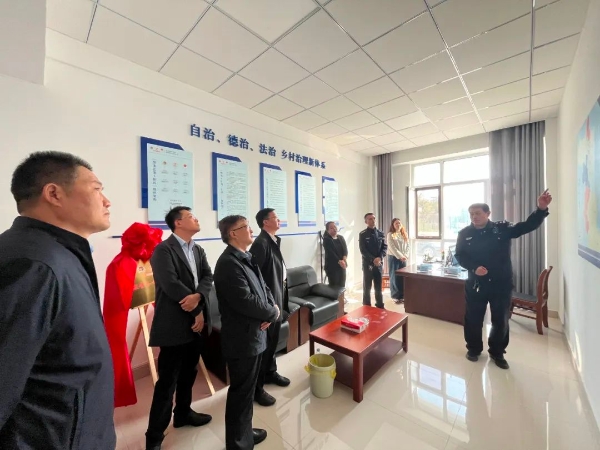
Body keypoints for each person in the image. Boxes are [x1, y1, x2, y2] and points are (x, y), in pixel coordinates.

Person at [0, 151, 116, 449]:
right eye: (97, 189)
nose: (107, 201)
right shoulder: (34, 265)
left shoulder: (60, 253)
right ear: (54, 194)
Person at [455, 190, 552, 370]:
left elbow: (526, 226)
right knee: (473, 318)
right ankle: (474, 349)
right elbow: (459, 255)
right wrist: (474, 268)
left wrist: (540, 209)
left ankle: (497, 352)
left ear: (488, 214)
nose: (474, 217)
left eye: (478, 213)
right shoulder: (464, 233)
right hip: (476, 283)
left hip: (501, 283)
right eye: (471, 214)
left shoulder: (501, 229)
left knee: (500, 319)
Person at [145, 207, 213, 450]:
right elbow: (170, 284)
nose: (196, 218)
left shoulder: (198, 249)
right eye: (191, 216)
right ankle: (154, 436)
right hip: (174, 323)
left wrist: (199, 297)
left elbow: (207, 276)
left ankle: (183, 414)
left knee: (189, 373)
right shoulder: (163, 250)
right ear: (178, 222)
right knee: (167, 381)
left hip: (196, 322)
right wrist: (196, 310)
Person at [214, 215, 280, 449]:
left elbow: (264, 288)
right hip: (242, 338)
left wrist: (272, 309)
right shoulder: (228, 263)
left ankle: (244, 432)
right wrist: (271, 313)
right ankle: (238, 443)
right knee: (241, 392)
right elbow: (245, 300)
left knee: (248, 389)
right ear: (233, 233)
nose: (251, 230)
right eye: (246, 227)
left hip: (255, 333)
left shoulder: (246, 257)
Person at [249, 208, 290, 407]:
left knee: (273, 342)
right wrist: (265, 309)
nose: (279, 220)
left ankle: (270, 372)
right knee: (264, 346)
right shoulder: (260, 244)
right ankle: (257, 388)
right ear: (265, 222)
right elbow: (255, 280)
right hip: (268, 304)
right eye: (275, 217)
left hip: (277, 299)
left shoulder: (273, 240)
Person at [359, 213, 387, 309]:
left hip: (378, 264)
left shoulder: (380, 233)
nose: (373, 220)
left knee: (378, 287)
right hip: (368, 264)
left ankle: (380, 305)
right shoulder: (363, 234)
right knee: (367, 287)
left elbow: (384, 247)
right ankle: (366, 306)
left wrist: (380, 257)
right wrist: (373, 259)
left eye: (374, 218)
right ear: (366, 221)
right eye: (370, 219)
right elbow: (363, 250)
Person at [386, 218, 410, 304]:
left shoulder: (404, 234)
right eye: (396, 223)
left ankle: (402, 296)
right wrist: (400, 256)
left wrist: (406, 255)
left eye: (399, 223)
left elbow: (408, 246)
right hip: (394, 258)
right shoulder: (391, 234)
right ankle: (395, 296)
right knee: (394, 276)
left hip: (403, 258)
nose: (398, 225)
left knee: (402, 276)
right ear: (393, 225)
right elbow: (392, 247)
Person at [323, 221, 348, 288]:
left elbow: (345, 250)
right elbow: (331, 253)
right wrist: (339, 261)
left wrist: (344, 259)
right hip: (332, 267)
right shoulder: (326, 239)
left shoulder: (341, 237)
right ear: (327, 230)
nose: (334, 229)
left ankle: (341, 295)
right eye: (331, 228)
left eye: (335, 227)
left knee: (342, 286)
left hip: (342, 266)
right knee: (334, 287)